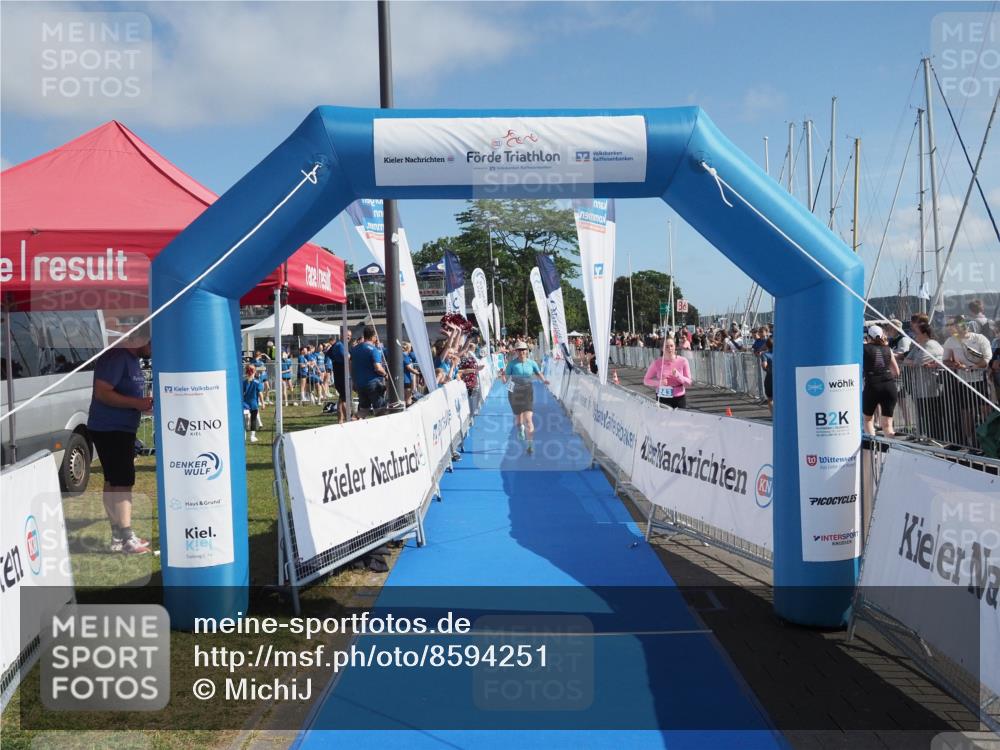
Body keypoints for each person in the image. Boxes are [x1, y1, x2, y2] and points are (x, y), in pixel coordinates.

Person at [86, 329, 153, 554]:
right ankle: (127, 538)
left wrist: (141, 405)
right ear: (140, 338)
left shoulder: (131, 359)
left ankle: (118, 536)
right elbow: (102, 393)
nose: (154, 348)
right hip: (111, 428)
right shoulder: (117, 356)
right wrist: (137, 403)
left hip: (117, 427)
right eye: (152, 342)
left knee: (113, 481)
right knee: (122, 481)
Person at [499, 341, 549, 454]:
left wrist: (544, 380)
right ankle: (520, 428)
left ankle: (530, 445)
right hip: (514, 392)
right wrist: (503, 375)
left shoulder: (532, 363)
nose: (522, 352)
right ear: (516, 351)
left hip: (527, 392)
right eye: (519, 350)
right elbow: (505, 381)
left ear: (527, 351)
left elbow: (538, 373)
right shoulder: (511, 364)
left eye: (524, 350)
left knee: (528, 419)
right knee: (518, 420)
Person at [902, 321, 945, 440]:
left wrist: (913, 362)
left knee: (932, 415)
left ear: (924, 333)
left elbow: (918, 362)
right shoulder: (919, 345)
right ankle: (926, 436)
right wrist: (912, 362)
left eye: (915, 332)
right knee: (923, 414)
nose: (913, 335)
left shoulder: (931, 345)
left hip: (931, 388)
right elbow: (907, 360)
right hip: (921, 387)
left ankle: (936, 438)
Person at [863, 325, 901, 438]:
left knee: (868, 419)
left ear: (868, 337)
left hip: (873, 385)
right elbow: (896, 372)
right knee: (887, 425)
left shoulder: (864, 348)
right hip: (889, 385)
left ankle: (873, 449)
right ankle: (892, 449)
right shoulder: (888, 349)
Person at [643, 336, 692, 408]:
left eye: (672, 346)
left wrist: (678, 376)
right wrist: (659, 383)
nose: (670, 348)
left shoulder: (683, 361)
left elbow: (689, 383)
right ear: (662, 349)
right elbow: (646, 380)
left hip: (679, 398)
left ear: (675, 346)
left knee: (679, 419)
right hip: (662, 397)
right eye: (666, 346)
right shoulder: (657, 363)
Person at [350, 325, 387, 417]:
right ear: (373, 337)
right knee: (380, 410)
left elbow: (350, 366)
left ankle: (352, 423)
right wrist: (386, 374)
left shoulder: (355, 349)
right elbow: (378, 368)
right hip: (373, 384)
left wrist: (354, 381)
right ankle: (379, 429)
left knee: (364, 410)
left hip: (359, 384)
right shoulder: (374, 350)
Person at [329, 331, 351, 422]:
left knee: (341, 399)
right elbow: (348, 357)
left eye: (350, 336)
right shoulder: (340, 346)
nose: (348, 337)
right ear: (342, 335)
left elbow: (328, 354)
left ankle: (340, 420)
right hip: (342, 377)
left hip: (339, 376)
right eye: (347, 335)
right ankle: (348, 419)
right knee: (345, 400)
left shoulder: (337, 345)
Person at [242, 363, 263, 443]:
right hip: (254, 404)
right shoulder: (257, 382)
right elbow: (260, 394)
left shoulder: (244, 382)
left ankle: (243, 436)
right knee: (253, 420)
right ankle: (252, 437)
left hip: (245, 404)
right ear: (254, 371)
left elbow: (242, 393)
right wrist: (263, 403)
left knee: (244, 420)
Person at [760, 337, 774, 415]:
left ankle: (774, 416)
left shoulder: (765, 354)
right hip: (781, 377)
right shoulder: (781, 353)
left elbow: (764, 366)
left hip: (770, 377)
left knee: (770, 398)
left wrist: (767, 369)